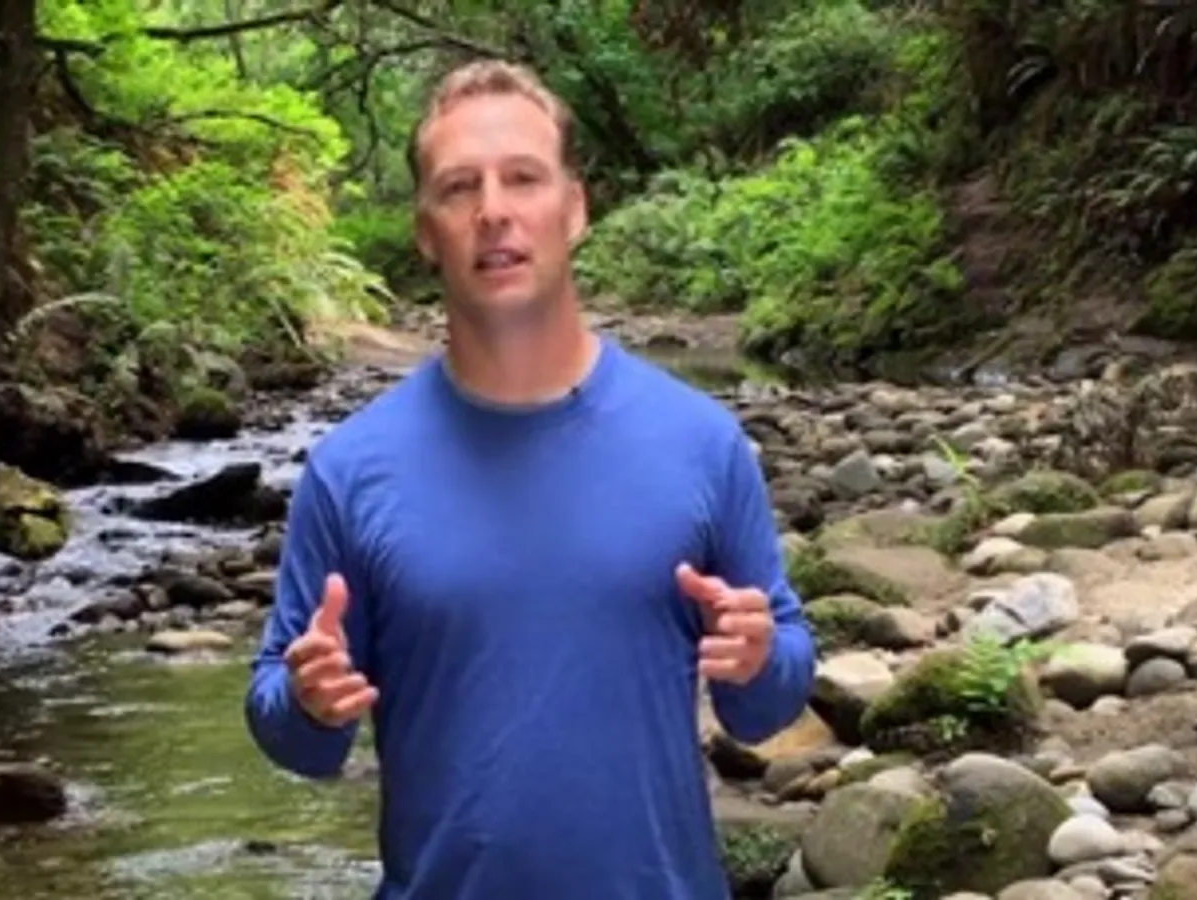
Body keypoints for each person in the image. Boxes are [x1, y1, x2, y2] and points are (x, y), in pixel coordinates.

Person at [244, 58, 818, 900]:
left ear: (574, 208)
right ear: (425, 231)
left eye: (522, 177)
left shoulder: (700, 441)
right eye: (458, 187)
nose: (492, 211)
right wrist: (306, 701)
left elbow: (768, 704)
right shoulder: (350, 470)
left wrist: (759, 657)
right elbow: (292, 736)